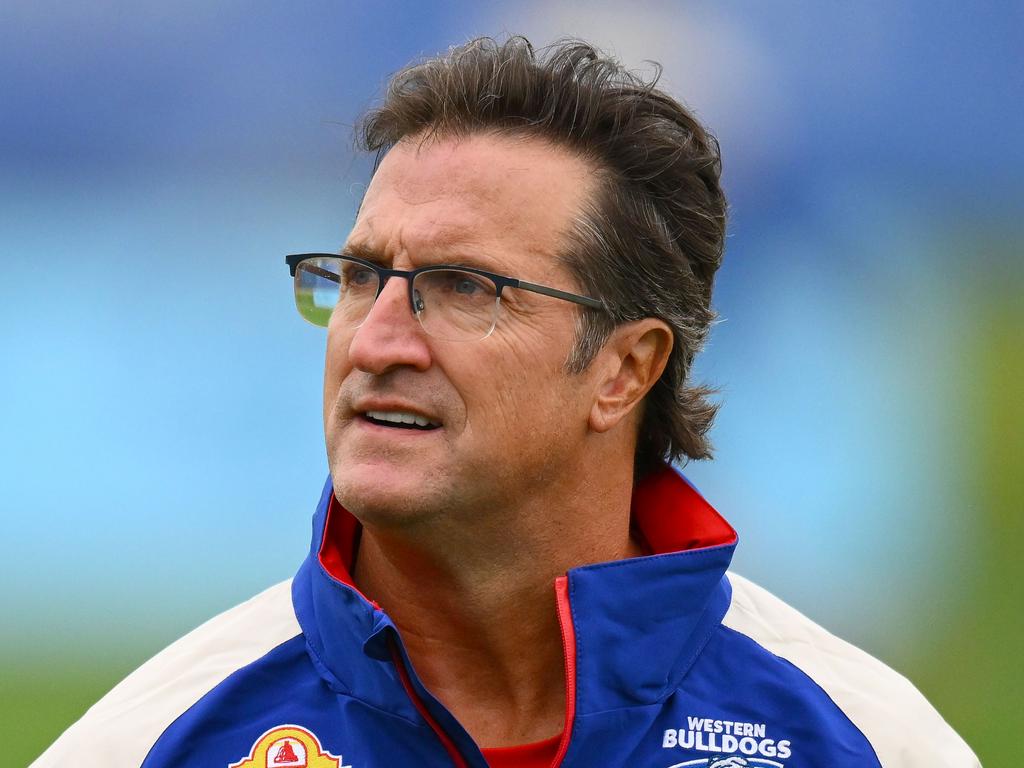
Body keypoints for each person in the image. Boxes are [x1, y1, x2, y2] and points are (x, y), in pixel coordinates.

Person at [32, 36, 979, 768]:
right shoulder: (157, 740)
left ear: (624, 370)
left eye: (465, 288)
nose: (377, 342)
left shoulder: (865, 740)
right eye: (362, 276)